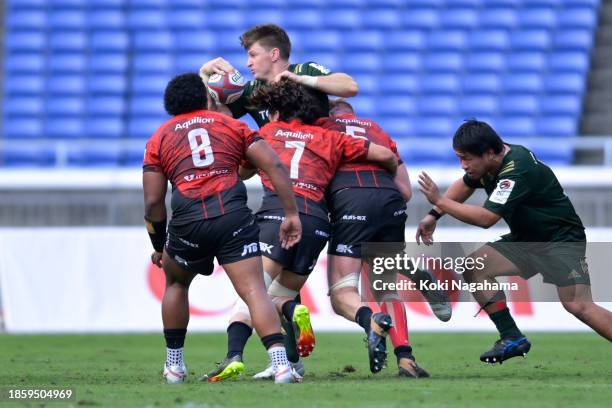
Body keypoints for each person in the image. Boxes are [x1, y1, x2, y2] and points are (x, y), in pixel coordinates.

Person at [202, 79, 399, 381]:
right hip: (317, 223)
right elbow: (386, 156)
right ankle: (367, 319)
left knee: (251, 294)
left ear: (278, 111)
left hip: (278, 217)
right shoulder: (329, 137)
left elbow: (242, 171)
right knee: (280, 295)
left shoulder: (266, 133)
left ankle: (234, 356)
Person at [143, 73, 303, 384]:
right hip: (232, 216)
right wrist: (291, 212)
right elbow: (274, 165)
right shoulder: (232, 125)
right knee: (255, 290)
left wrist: (158, 244)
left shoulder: (158, 138)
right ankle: (282, 366)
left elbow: (152, 202)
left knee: (176, 284)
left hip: (189, 220)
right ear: (206, 98)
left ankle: (174, 367)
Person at [417, 119, 612, 364]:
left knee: (579, 306)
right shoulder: (490, 162)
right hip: (527, 240)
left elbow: (487, 218)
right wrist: (434, 214)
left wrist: (440, 201)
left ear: (488, 153)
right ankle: (511, 337)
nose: (463, 165)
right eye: (459, 158)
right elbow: (465, 185)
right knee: (474, 268)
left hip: (560, 240)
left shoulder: (516, 169)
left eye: (466, 158)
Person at [315, 98, 447, 377]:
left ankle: (376, 318)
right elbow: (406, 192)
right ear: (354, 114)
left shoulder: (322, 127)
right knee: (385, 286)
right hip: (390, 202)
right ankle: (406, 359)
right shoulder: (377, 130)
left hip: (350, 200)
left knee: (342, 293)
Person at [199, 23, 358, 128]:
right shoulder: (251, 90)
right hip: (279, 171)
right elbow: (212, 119)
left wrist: (302, 80)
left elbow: (350, 87)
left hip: (318, 166)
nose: (248, 63)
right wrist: (204, 75)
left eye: (253, 55)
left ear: (274, 54)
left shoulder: (305, 70)